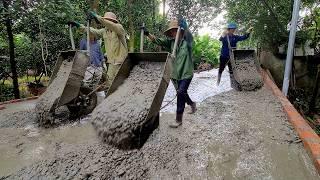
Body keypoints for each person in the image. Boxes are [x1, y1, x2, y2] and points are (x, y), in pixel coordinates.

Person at [143, 19, 197, 128]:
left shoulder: (188, 42)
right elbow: (157, 40)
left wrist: (185, 28)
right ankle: (192, 104)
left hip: (186, 72)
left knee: (181, 92)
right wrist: (147, 34)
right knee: (182, 93)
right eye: (171, 31)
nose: (173, 33)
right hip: (175, 74)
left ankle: (178, 120)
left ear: (180, 30)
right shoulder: (171, 43)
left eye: (174, 30)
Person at [68, 11, 128, 90]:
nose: (106, 22)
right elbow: (91, 30)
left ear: (113, 21)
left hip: (121, 62)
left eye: (108, 20)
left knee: (121, 84)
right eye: (105, 20)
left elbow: (110, 25)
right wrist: (78, 25)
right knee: (109, 83)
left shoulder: (119, 28)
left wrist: (97, 16)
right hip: (111, 63)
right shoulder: (104, 31)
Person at [217, 22, 253, 87]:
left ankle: (233, 84)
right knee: (221, 69)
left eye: (234, 29)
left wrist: (248, 32)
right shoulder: (225, 36)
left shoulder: (235, 37)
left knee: (232, 70)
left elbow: (243, 37)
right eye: (232, 29)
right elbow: (220, 39)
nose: (233, 30)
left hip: (232, 56)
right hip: (224, 56)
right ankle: (218, 82)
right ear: (229, 29)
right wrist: (222, 34)